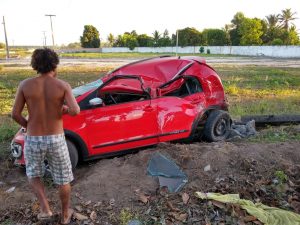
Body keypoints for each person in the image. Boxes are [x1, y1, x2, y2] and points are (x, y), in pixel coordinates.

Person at [11, 48, 80, 224]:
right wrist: (63, 109)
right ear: (54, 64)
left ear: (35, 65)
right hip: (56, 138)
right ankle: (65, 215)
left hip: (33, 138)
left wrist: (29, 126)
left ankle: (45, 209)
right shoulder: (62, 85)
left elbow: (15, 114)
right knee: (63, 178)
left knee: (33, 173)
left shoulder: (25, 85)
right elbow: (75, 110)